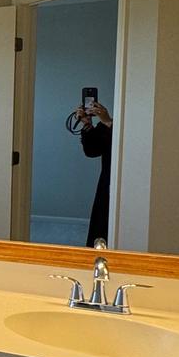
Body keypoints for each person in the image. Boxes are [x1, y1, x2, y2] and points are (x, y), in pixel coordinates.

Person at [75, 100, 113, 247]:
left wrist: (108, 121)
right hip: (106, 180)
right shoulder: (102, 126)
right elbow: (92, 151)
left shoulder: (121, 125)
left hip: (120, 180)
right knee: (101, 221)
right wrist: (86, 124)